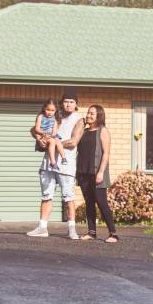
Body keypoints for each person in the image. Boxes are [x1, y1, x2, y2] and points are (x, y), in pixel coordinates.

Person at [27, 88, 84, 239]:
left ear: (76, 104)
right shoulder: (54, 115)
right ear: (62, 103)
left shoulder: (79, 119)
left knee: (68, 197)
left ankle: (71, 229)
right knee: (46, 195)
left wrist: (54, 142)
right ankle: (42, 228)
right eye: (66, 102)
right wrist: (39, 139)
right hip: (49, 163)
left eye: (72, 102)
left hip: (66, 164)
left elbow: (73, 142)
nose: (68, 105)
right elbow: (33, 129)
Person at [76, 105, 118, 243]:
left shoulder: (103, 131)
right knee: (89, 203)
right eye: (88, 112)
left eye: (92, 113)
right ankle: (92, 232)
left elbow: (106, 154)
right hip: (83, 172)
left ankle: (113, 234)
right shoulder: (84, 131)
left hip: (97, 172)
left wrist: (100, 172)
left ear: (99, 115)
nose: (89, 115)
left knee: (102, 203)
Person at [34, 98, 67, 171]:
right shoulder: (41, 116)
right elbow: (36, 129)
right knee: (52, 142)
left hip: (52, 135)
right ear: (44, 108)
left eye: (52, 110)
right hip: (43, 135)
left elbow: (54, 131)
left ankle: (63, 157)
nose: (50, 112)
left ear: (56, 111)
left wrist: (52, 135)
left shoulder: (55, 119)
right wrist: (44, 133)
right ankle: (53, 162)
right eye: (48, 110)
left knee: (58, 141)